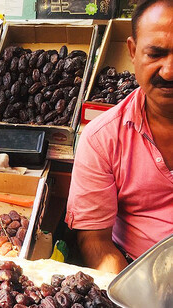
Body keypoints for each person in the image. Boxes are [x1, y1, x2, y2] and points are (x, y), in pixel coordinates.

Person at [66, 0, 173, 274]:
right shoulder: (101, 138)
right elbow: (94, 237)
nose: (169, 71)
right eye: (156, 54)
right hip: (138, 273)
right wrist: (133, 295)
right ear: (133, 52)